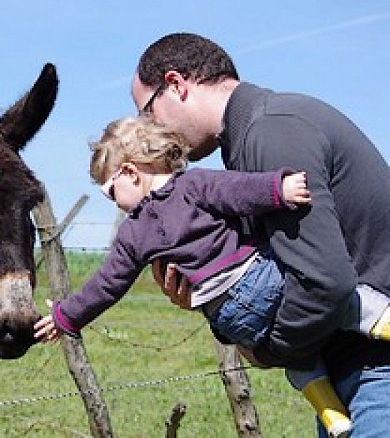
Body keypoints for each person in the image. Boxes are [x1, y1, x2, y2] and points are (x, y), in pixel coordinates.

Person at [33, 115, 390, 437]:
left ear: (130, 172)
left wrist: (66, 316)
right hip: (258, 281)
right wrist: (278, 189)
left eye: (110, 191)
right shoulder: (193, 185)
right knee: (326, 285)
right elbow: (238, 192)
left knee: (297, 352)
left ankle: (331, 413)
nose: (113, 202)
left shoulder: (133, 232)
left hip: (228, 318)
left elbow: (106, 285)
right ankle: (380, 318)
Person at [129, 33, 390, 437]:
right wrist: (208, 295)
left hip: (378, 370)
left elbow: (325, 282)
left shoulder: (271, 134)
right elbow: (268, 279)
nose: (150, 132)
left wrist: (266, 351)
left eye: (148, 114)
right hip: (358, 369)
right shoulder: (252, 142)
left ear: (177, 84)